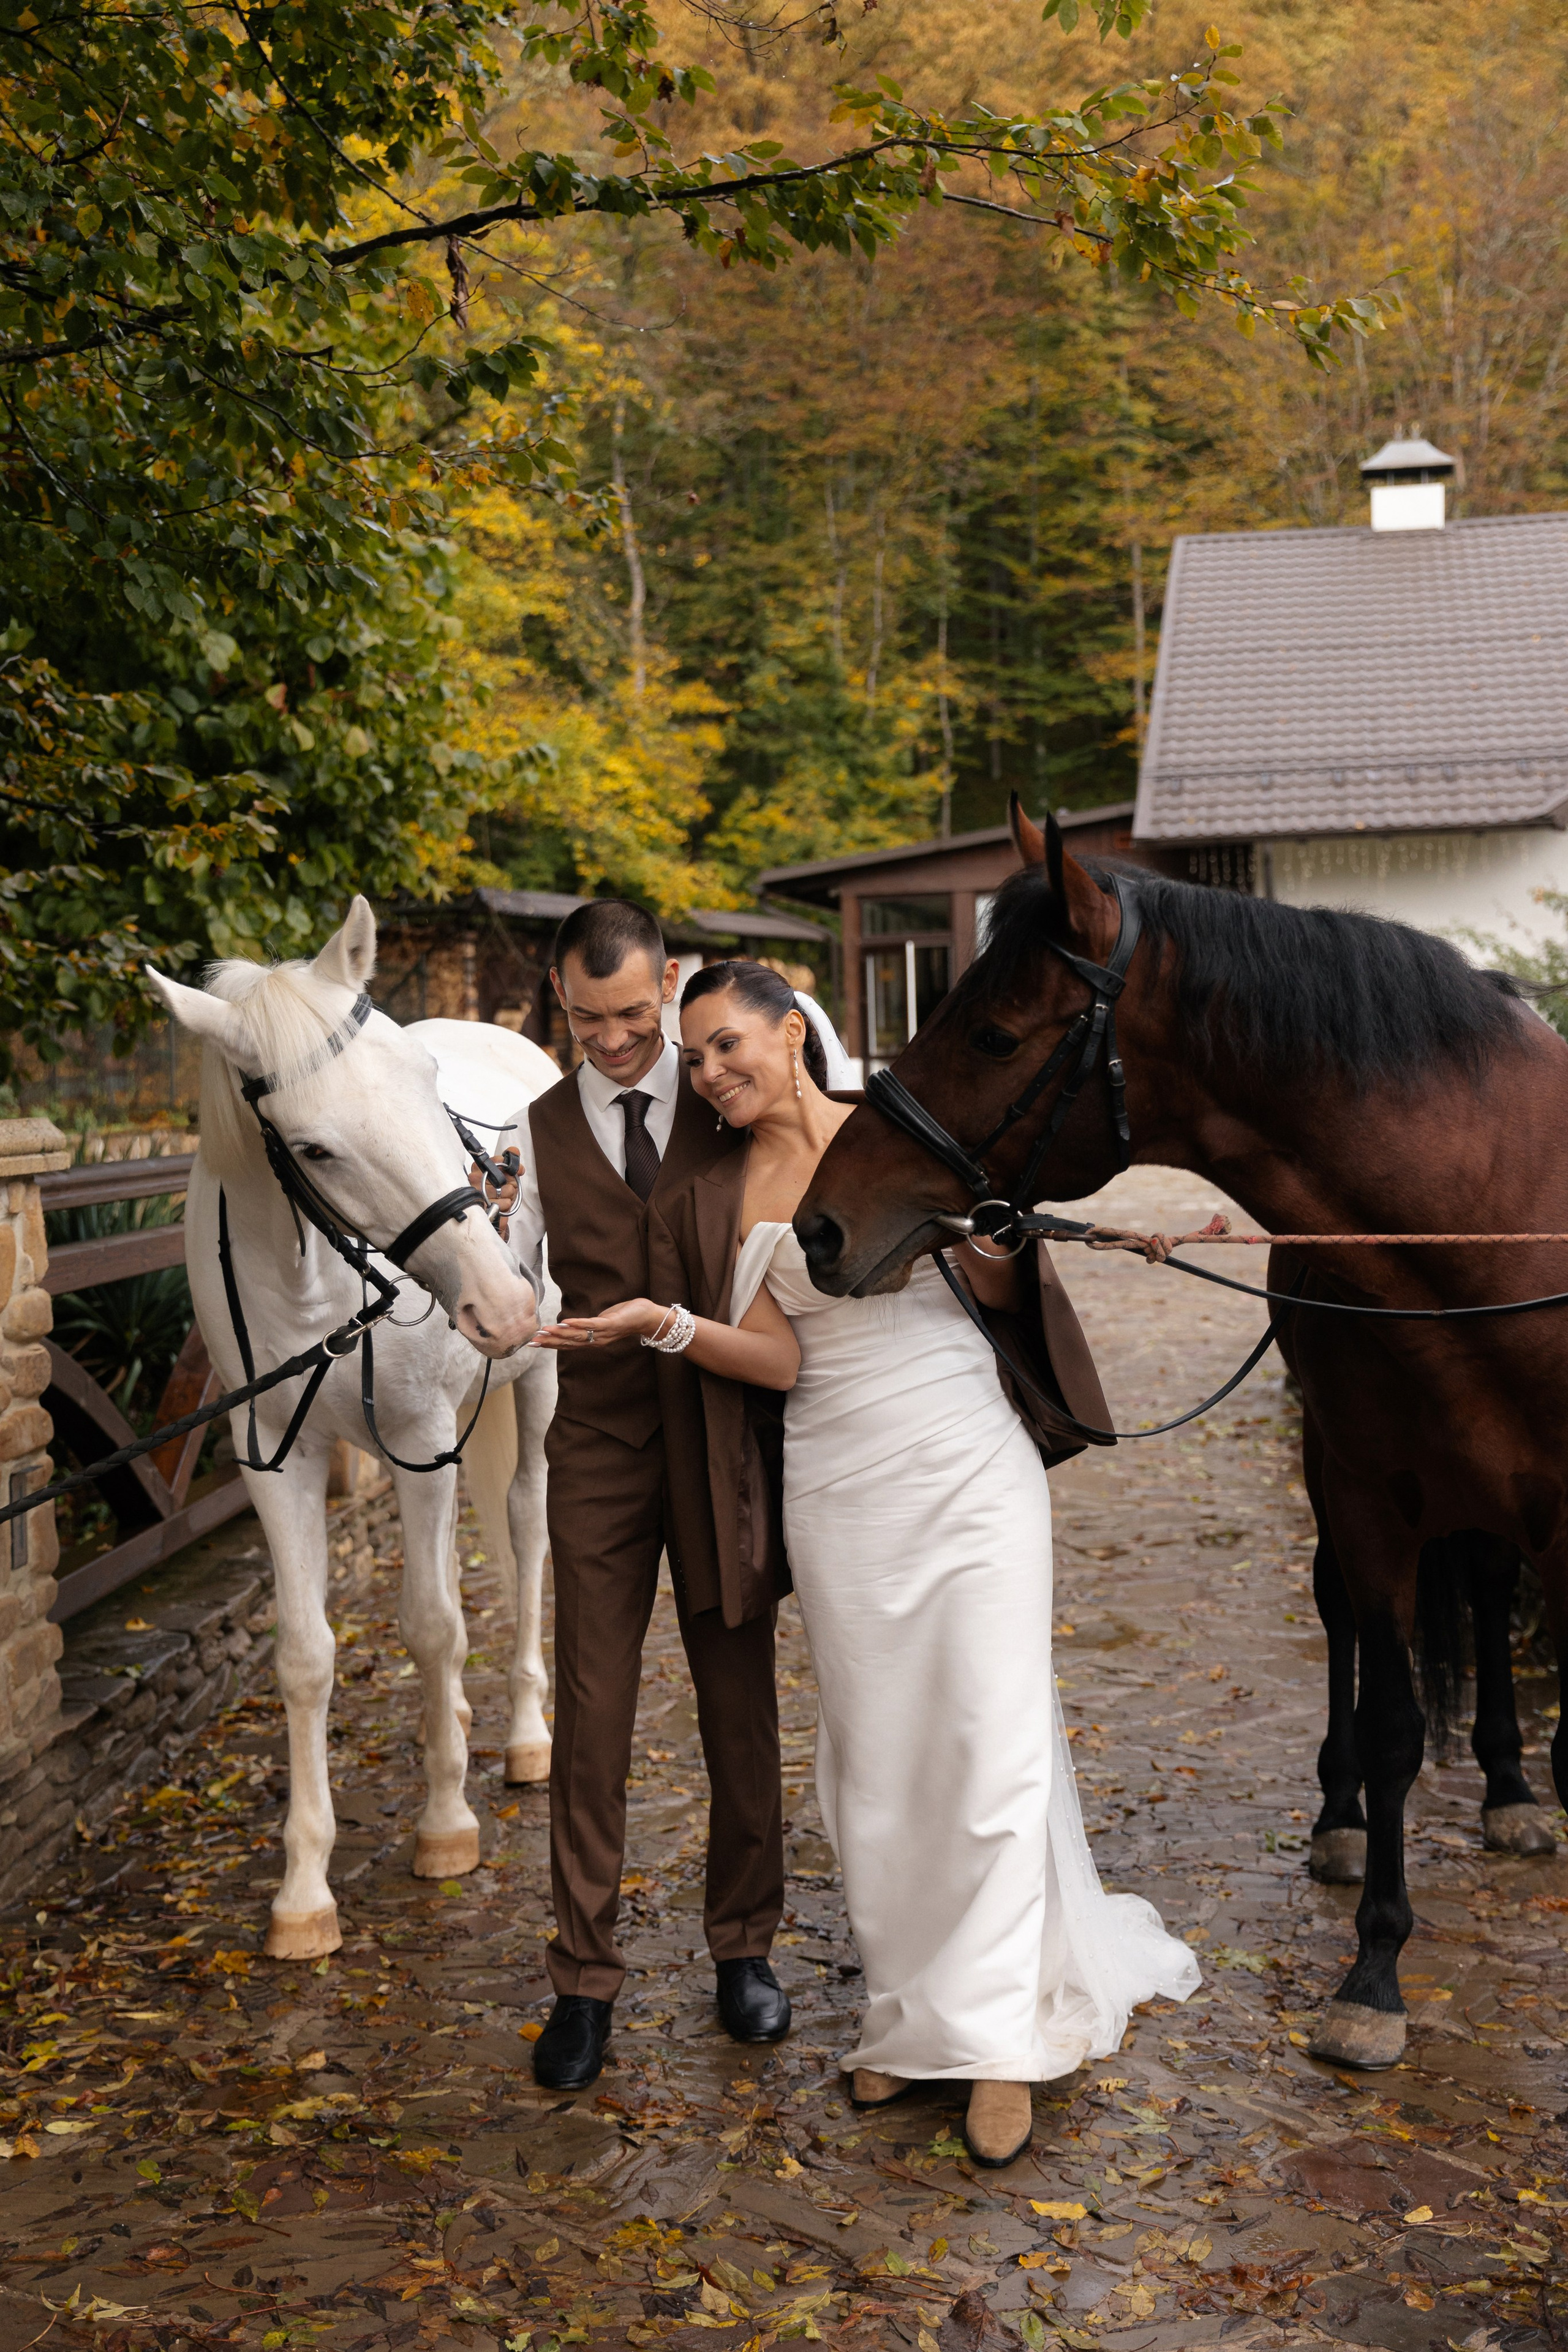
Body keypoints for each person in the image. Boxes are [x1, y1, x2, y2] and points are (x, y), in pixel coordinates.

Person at [547, 960, 1200, 2166]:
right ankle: (910, 2017)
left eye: (729, 1043)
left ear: (792, 1032)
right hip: (837, 1483)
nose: (711, 1072)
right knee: (878, 1764)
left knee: (988, 1740)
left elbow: (993, 1280)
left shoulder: (904, 1135)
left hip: (963, 1459)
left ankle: (999, 2041)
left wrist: (1011, 1228)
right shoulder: (717, 1190)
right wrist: (666, 1325)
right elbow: (783, 1359)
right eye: (693, 1058)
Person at [494, 905, 791, 2093]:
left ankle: (744, 1949)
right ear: (557, 1001)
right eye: (587, 1018)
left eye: (632, 1015)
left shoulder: (726, 1100)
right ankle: (582, 1978)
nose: (615, 1041)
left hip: (719, 1436)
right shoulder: (540, 1126)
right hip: (602, 1445)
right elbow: (515, 1280)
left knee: (738, 1702)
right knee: (591, 1708)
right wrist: (500, 1314)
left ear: (666, 984)